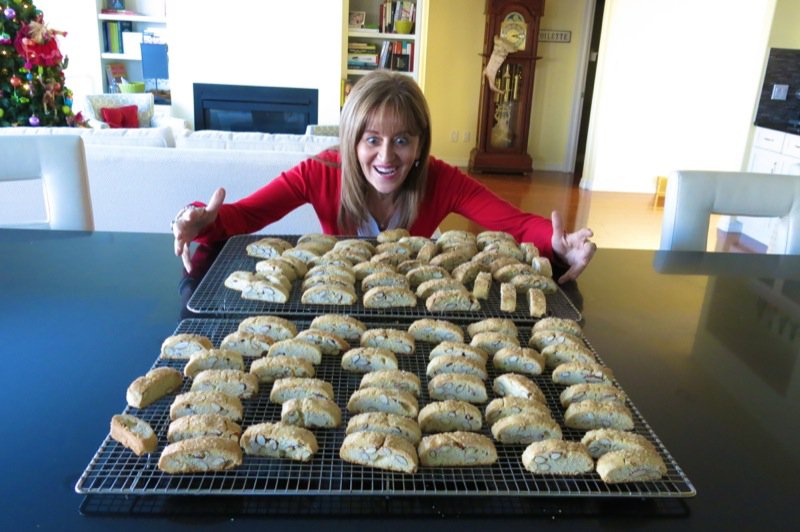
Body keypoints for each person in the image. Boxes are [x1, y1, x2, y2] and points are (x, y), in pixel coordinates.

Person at [171, 70, 596, 284]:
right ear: (351, 140)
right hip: (334, 300)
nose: (386, 156)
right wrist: (198, 217)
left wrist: (558, 246)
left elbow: (517, 225)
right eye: (372, 139)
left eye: (402, 140)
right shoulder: (320, 171)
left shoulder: (440, 178)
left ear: (420, 144)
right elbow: (244, 216)